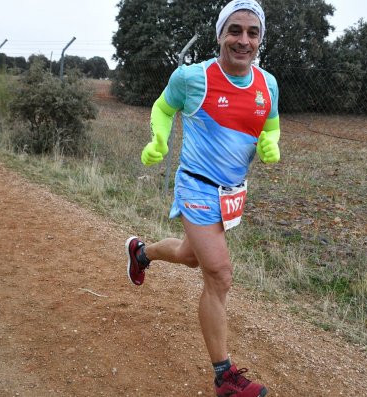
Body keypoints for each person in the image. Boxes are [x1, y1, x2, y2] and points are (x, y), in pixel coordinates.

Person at [125, 1, 280, 396]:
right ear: (219, 34)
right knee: (219, 274)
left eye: (252, 32)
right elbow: (163, 107)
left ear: (260, 38)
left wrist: (270, 141)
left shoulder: (268, 84)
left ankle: (141, 252)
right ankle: (224, 377)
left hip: (232, 194)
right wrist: (159, 138)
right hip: (195, 185)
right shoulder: (193, 78)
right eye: (235, 30)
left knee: (191, 255)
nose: (243, 40)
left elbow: (271, 121)